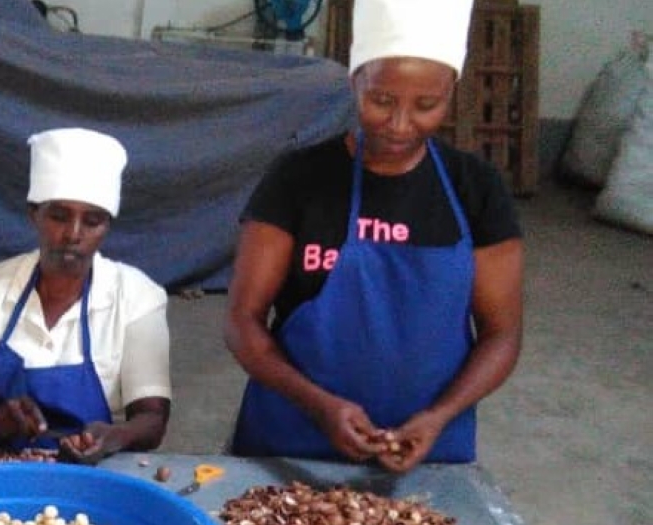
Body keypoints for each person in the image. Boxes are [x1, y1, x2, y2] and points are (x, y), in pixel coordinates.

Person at [224, 0, 524, 472]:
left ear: (451, 92)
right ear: (354, 81)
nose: (401, 124)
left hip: (429, 451)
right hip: (288, 439)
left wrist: (438, 416)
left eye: (427, 105)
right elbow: (243, 320)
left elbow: (502, 334)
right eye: (381, 100)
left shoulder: (476, 188)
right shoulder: (299, 178)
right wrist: (318, 405)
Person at [0, 128, 171, 464]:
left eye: (92, 221)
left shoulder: (138, 297)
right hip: (2, 471)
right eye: (58, 216)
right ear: (33, 213)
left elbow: (152, 420)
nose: (73, 234)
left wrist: (115, 437)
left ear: (107, 226)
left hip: (97, 469)